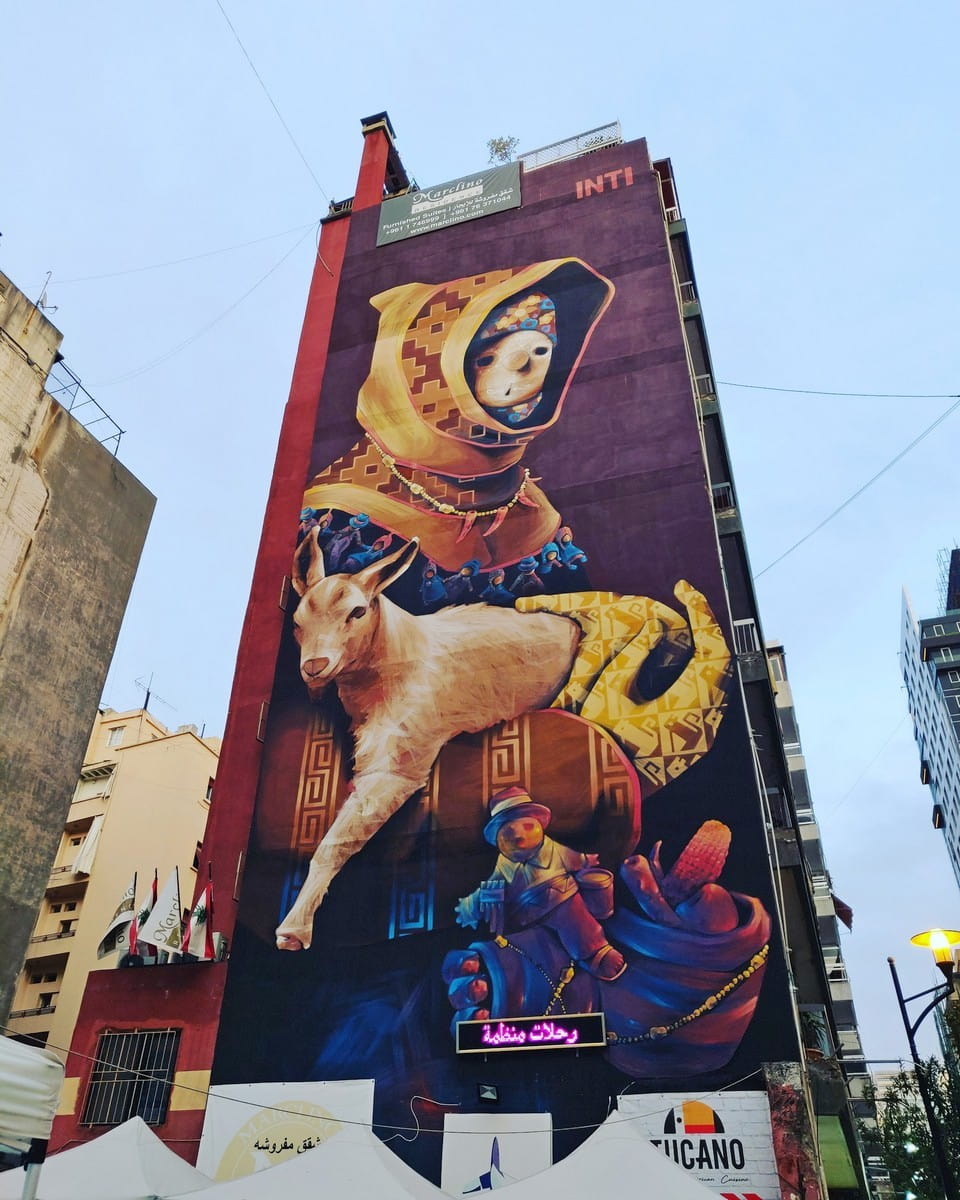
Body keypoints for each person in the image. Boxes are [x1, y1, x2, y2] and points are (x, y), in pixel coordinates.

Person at [455, 786, 626, 982]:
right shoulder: (503, 865)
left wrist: (585, 860)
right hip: (526, 914)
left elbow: (571, 858)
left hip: (563, 899)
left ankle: (594, 951)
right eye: (509, 832)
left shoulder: (552, 848)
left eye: (527, 827)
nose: (519, 837)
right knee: (529, 946)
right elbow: (491, 885)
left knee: (578, 923)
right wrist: (471, 905)